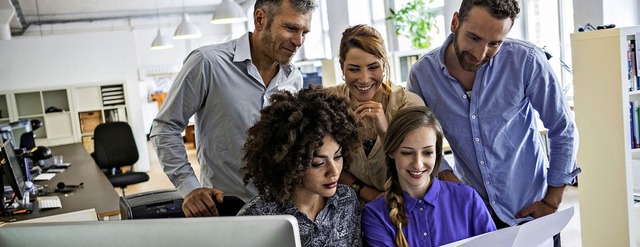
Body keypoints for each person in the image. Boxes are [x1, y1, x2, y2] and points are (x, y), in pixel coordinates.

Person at [406, 0, 579, 246]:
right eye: (474, 38)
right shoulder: (423, 75)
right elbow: (419, 137)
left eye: (494, 43)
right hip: (473, 214)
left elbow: (564, 129)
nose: (480, 54)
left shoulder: (527, 61)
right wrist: (447, 176)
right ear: (455, 22)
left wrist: (552, 200)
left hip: (531, 209)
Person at [150, 0, 317, 217]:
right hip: (226, 208)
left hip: (280, 209)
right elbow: (164, 128)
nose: (298, 41)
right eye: (291, 28)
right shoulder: (207, 63)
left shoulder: (293, 77)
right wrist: (190, 188)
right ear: (260, 19)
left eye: (305, 32)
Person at [237, 86, 362, 246]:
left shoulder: (346, 200)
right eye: (318, 163)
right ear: (290, 164)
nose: (334, 171)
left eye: (337, 157)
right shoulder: (256, 218)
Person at [362, 106, 496, 246]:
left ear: (437, 154)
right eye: (407, 153)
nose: (418, 164)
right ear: (391, 152)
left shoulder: (468, 199)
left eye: (427, 153)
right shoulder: (375, 215)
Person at [327, 24, 425, 203]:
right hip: (348, 205)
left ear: (384, 64)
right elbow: (320, 164)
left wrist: (386, 133)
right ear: (342, 68)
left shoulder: (408, 104)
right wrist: (363, 191)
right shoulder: (330, 102)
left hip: (401, 203)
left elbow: (417, 169)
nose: (364, 79)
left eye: (373, 67)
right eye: (354, 69)